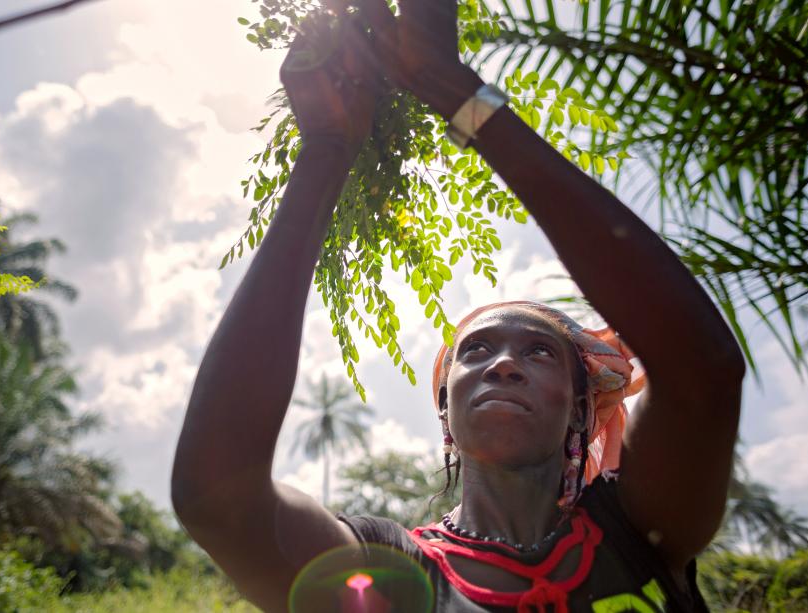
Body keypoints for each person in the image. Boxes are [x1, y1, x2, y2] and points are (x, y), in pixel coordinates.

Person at [171, 1, 744, 611]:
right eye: (475, 351)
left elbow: (703, 373)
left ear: (582, 407)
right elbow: (217, 497)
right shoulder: (390, 576)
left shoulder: (640, 531)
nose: (503, 364)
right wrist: (328, 147)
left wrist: (456, 91)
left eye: (539, 351)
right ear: (445, 409)